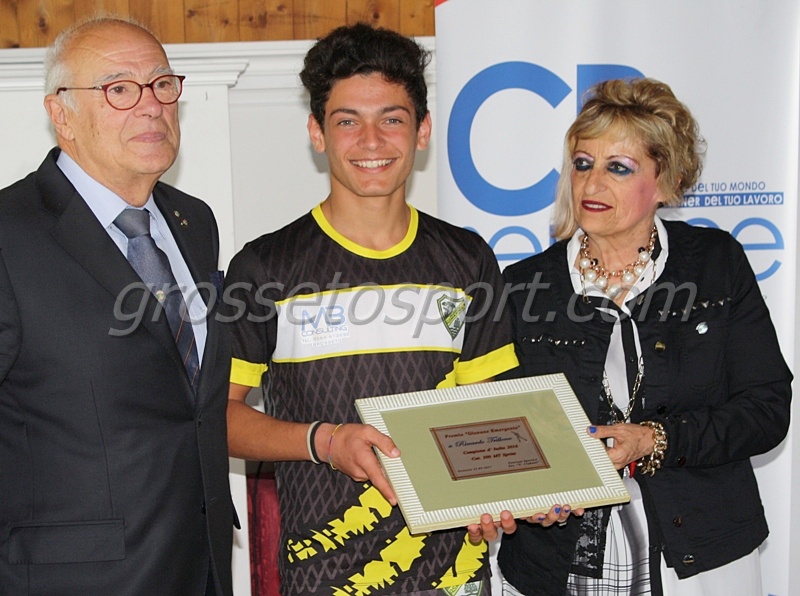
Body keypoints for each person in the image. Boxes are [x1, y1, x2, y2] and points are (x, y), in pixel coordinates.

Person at [224, 22, 571, 596]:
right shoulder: (266, 268)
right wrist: (325, 441)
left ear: (422, 130)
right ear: (316, 133)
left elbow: (492, 422)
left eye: (391, 119)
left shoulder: (467, 259)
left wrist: (511, 496)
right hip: (324, 578)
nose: (371, 141)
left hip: (456, 578)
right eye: (347, 121)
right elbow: (218, 421)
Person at [498, 77, 792, 595]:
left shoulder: (716, 263)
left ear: (666, 182)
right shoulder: (524, 285)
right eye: (583, 164)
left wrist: (656, 440)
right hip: (561, 559)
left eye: (618, 167)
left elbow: (766, 409)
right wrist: (528, 496)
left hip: (703, 554)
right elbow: (504, 428)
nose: (591, 184)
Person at [0, 17, 235, 595]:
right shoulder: (9, 233)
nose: (151, 106)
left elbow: (191, 404)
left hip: (200, 567)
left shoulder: (194, 221)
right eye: (119, 89)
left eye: (162, 84)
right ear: (61, 114)